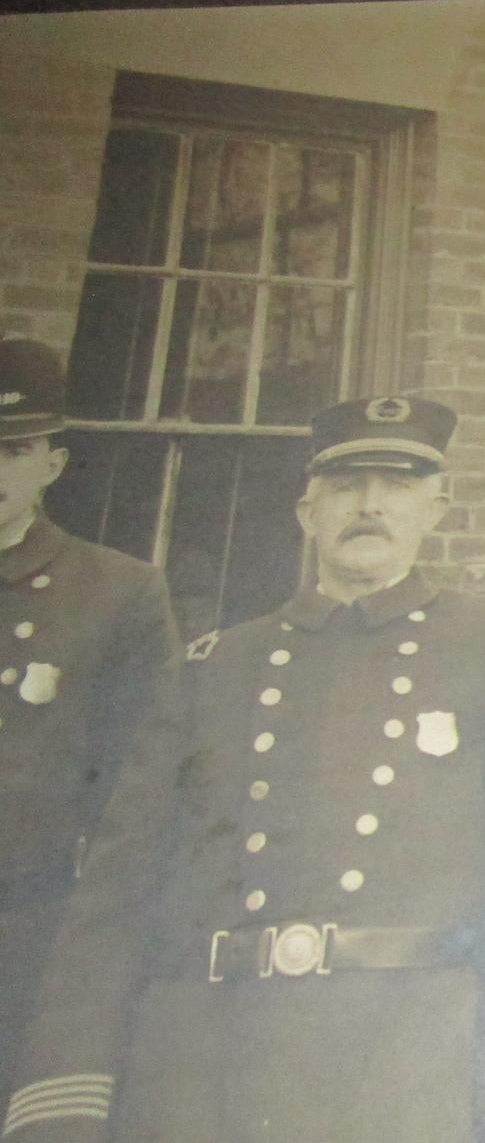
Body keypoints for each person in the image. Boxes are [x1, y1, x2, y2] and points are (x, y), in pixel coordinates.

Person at [4, 395, 485, 1143]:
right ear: (306, 511)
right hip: (205, 1067)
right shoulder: (215, 666)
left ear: (436, 509)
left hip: (405, 1063)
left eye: (397, 486)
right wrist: (65, 1094)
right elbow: (118, 890)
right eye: (347, 485)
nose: (370, 505)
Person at [0, 338, 179, 1103]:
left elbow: (141, 790)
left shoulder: (117, 593)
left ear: (53, 464)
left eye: (13, 448)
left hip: (32, 934)